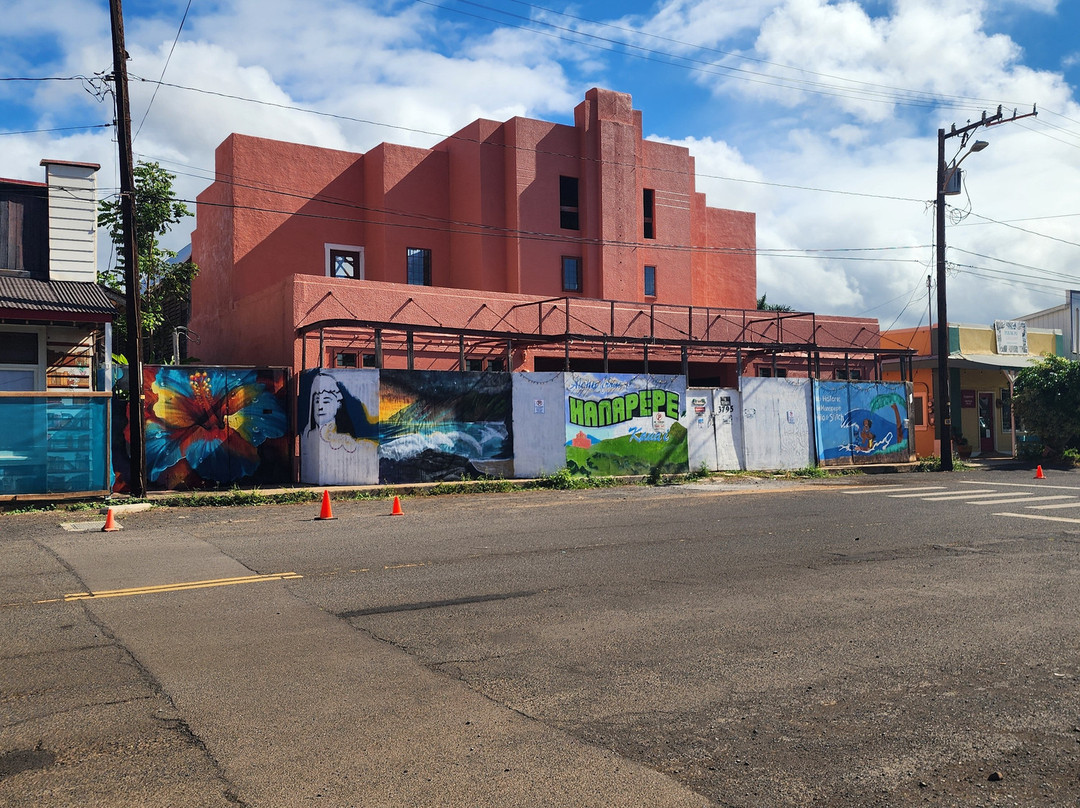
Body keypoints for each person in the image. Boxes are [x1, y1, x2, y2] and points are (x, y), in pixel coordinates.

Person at [300, 371, 377, 484]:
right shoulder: (309, 434)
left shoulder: (345, 437)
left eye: (326, 401)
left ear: (338, 403)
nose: (320, 407)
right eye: (317, 401)